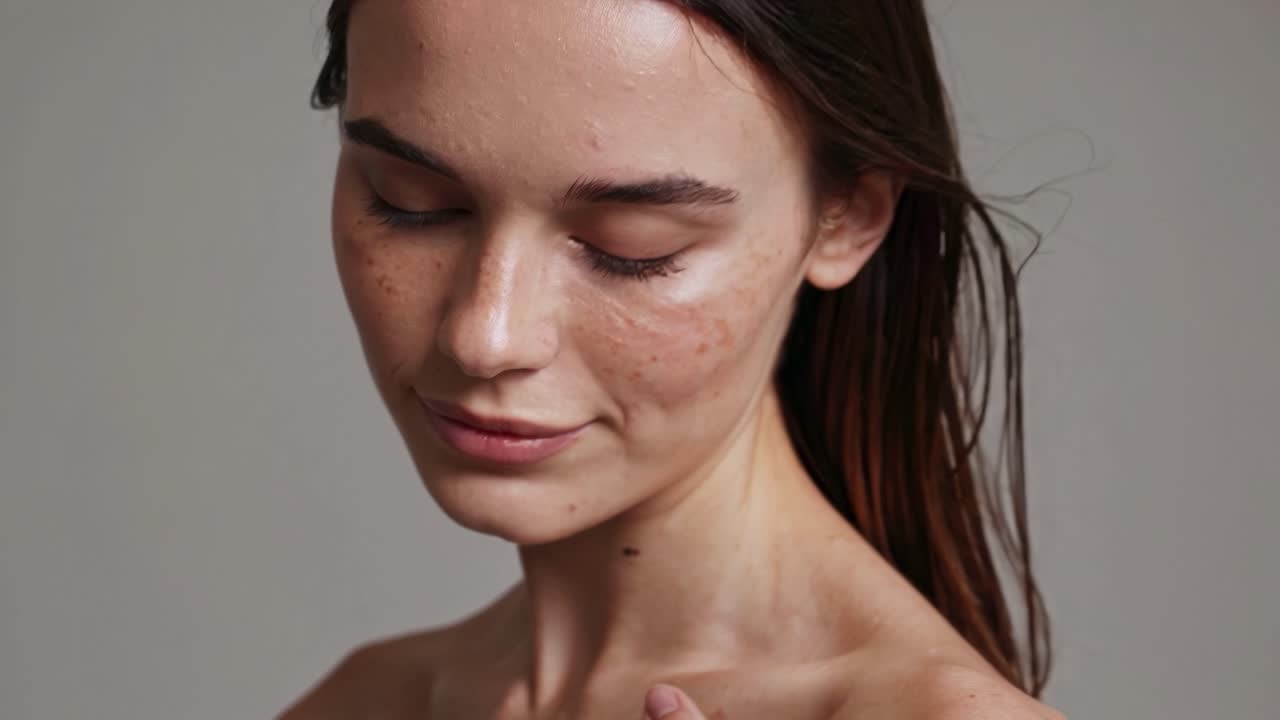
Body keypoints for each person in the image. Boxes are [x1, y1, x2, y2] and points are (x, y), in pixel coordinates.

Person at [280, 1, 1061, 718]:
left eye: (631, 248)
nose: (486, 337)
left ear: (847, 219)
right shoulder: (365, 703)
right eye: (409, 202)